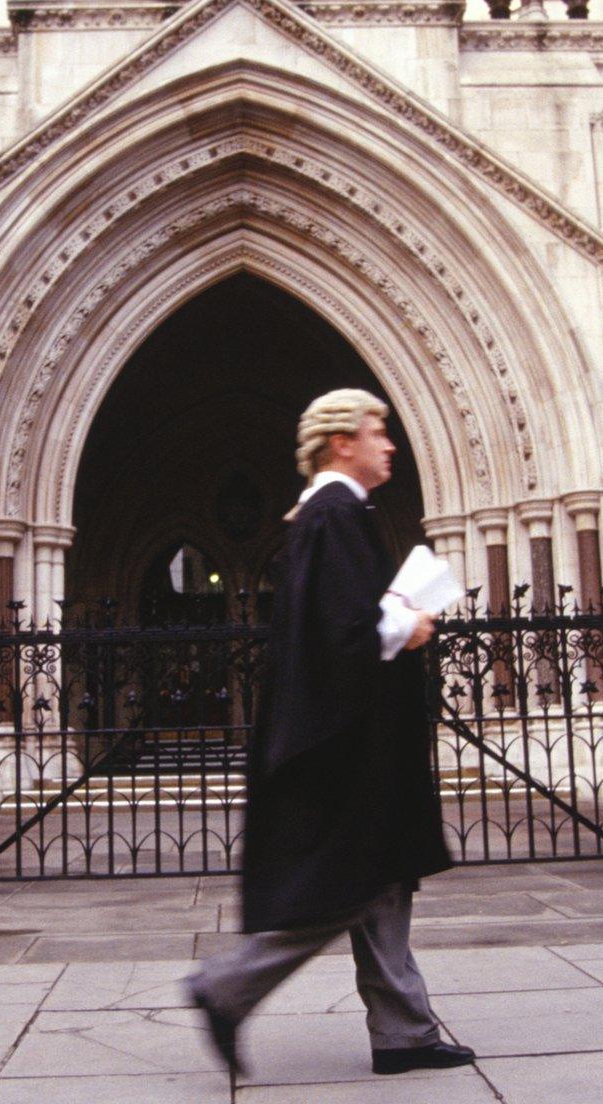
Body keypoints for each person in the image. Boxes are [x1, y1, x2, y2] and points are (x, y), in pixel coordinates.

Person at [186, 388, 473, 1078]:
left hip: (355, 741)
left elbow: (335, 622)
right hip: (348, 746)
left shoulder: (332, 515)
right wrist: (410, 625)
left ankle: (404, 1030)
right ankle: (225, 987)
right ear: (343, 442)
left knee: (382, 882)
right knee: (352, 884)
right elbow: (344, 636)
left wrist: (397, 618)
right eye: (380, 431)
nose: (391, 444)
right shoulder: (336, 514)